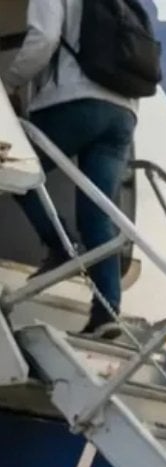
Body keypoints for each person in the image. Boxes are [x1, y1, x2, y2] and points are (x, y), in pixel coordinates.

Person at [3, 0, 143, 338]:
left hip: (74, 101)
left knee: (20, 170)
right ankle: (107, 312)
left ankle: (61, 246)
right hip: (123, 113)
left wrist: (7, 83)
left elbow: (45, 38)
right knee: (98, 214)